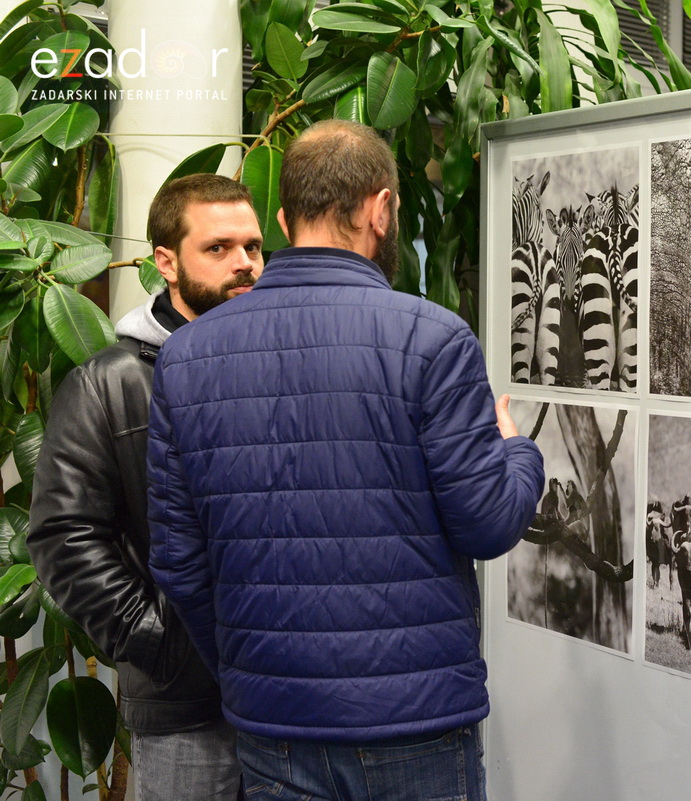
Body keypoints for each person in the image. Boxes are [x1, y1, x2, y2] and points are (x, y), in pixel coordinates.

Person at [145, 119, 545, 801]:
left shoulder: (184, 357)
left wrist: (255, 670)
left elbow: (180, 565)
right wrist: (518, 451)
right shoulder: (433, 339)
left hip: (274, 729)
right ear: (380, 208)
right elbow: (487, 525)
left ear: (281, 215)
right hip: (416, 722)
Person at [28, 174, 264, 801]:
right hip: (184, 713)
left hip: (290, 699)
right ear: (165, 261)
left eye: (253, 247)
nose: (243, 264)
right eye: (218, 248)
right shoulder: (109, 384)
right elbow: (61, 536)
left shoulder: (281, 365)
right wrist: (159, 640)